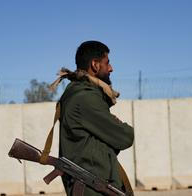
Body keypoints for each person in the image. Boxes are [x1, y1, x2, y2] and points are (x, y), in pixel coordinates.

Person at [50, 41, 134, 196]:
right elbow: (125, 137)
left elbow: (106, 143)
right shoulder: (86, 98)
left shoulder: (78, 94)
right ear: (95, 65)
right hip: (92, 189)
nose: (111, 68)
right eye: (107, 63)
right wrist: (119, 125)